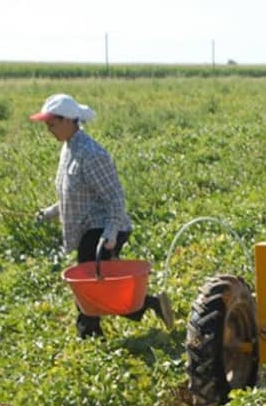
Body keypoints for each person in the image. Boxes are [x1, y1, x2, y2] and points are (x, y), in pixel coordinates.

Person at [31, 93, 174, 338]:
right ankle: (150, 304)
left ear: (68, 121)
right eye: (46, 125)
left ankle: (89, 334)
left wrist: (110, 234)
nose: (49, 130)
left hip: (102, 228)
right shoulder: (69, 150)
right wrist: (49, 213)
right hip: (90, 229)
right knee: (103, 286)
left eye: (52, 124)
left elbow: (115, 198)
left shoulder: (92, 154)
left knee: (88, 285)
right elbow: (73, 195)